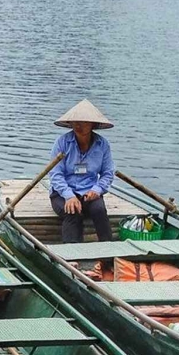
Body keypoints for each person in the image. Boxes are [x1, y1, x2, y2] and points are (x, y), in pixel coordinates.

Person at [48, 100, 116, 247]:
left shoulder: (102, 145)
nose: (79, 126)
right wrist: (69, 195)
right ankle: (71, 258)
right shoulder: (62, 143)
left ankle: (110, 255)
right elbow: (55, 174)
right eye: (76, 122)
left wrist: (97, 190)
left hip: (89, 193)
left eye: (84, 122)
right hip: (62, 193)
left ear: (92, 125)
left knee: (99, 210)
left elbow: (108, 173)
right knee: (73, 212)